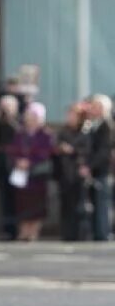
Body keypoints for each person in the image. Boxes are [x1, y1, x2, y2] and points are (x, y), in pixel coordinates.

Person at [9, 102, 54, 242]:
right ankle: (23, 230)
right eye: (30, 115)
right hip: (22, 174)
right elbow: (12, 150)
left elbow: (46, 152)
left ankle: (33, 231)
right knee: (22, 203)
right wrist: (18, 160)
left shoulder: (46, 134)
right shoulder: (20, 133)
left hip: (37, 175)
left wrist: (31, 162)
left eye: (35, 116)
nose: (32, 119)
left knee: (37, 203)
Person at [54, 101, 90, 241]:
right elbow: (56, 146)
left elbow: (87, 151)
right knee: (65, 204)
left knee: (78, 205)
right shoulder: (63, 131)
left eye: (73, 115)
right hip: (64, 172)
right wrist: (60, 149)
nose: (69, 117)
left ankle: (80, 234)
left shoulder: (85, 132)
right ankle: (67, 233)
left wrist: (73, 150)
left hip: (77, 173)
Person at [83, 94, 112, 241]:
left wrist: (90, 165)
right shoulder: (91, 125)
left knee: (101, 203)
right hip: (93, 170)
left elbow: (103, 151)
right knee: (94, 202)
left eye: (95, 107)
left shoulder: (106, 126)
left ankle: (102, 233)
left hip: (101, 170)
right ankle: (96, 232)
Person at [0, 95, 20, 240]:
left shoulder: (17, 121)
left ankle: (16, 230)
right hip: (1, 166)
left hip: (15, 166)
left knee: (17, 200)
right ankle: (7, 230)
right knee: (4, 200)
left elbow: (18, 134)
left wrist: (9, 119)